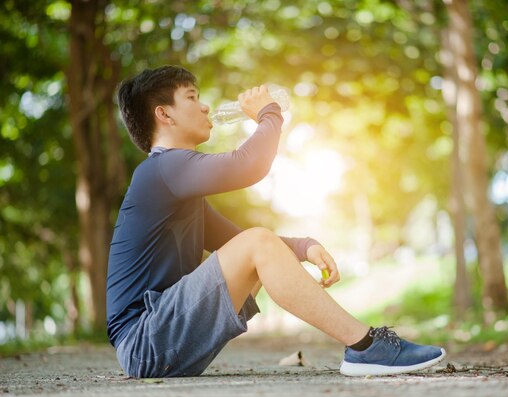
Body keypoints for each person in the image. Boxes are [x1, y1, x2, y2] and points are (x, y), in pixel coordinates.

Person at [107, 65, 445, 378]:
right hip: (145, 342)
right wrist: (270, 113)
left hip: (162, 342)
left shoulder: (174, 184)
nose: (206, 107)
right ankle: (367, 347)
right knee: (258, 241)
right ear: (164, 114)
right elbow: (249, 166)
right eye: (192, 98)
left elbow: (236, 242)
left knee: (257, 242)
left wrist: (302, 246)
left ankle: (368, 348)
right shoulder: (161, 169)